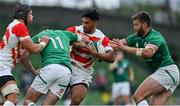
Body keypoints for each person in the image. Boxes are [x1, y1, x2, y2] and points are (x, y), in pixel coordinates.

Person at [111, 11, 179, 105]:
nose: (134, 28)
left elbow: (148, 53)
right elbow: (118, 44)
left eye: (136, 25)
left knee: (138, 96)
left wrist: (125, 49)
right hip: (170, 74)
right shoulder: (136, 37)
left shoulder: (155, 36)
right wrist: (99, 43)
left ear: (144, 25)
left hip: (166, 71)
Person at [23, 28, 90, 105]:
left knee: (28, 101)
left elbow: (24, 58)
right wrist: (79, 44)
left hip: (50, 68)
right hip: (66, 72)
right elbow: (85, 38)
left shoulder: (40, 35)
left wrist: (34, 71)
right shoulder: (64, 33)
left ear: (43, 31)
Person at [0, 3, 49, 106]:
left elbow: (23, 59)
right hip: (2, 67)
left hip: (3, 67)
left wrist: (34, 72)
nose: (32, 16)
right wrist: (44, 42)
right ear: (24, 15)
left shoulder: (15, 25)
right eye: (30, 14)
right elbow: (33, 49)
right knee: (13, 97)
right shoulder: (20, 26)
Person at [66, 9, 115, 105]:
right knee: (51, 94)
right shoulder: (75, 30)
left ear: (95, 23)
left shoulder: (101, 38)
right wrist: (76, 43)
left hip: (83, 71)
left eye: (87, 23)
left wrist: (95, 54)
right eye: (83, 22)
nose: (84, 25)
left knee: (76, 99)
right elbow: (62, 37)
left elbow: (111, 57)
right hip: (67, 65)